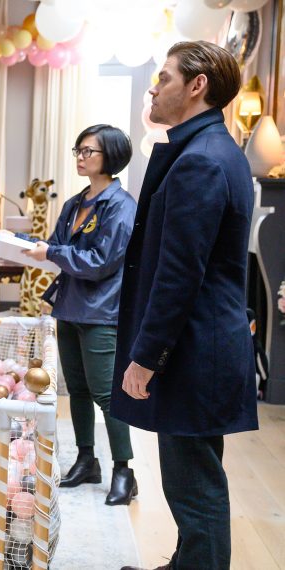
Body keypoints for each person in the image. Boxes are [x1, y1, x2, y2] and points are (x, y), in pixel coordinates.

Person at [113, 41, 257, 570]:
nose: (153, 89)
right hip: (200, 343)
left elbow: (180, 274)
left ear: (198, 86)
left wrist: (146, 356)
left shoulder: (201, 160)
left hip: (194, 348)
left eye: (164, 78)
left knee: (194, 485)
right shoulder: (212, 149)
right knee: (188, 476)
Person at [21, 125, 137, 506]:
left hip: (101, 310)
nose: (81, 157)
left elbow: (101, 262)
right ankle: (87, 460)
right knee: (77, 389)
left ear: (111, 157)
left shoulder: (121, 206)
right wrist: (21, 245)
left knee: (106, 392)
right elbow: (55, 247)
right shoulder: (74, 204)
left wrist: (51, 253)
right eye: (79, 150)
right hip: (69, 307)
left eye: (89, 151)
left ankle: (124, 471)